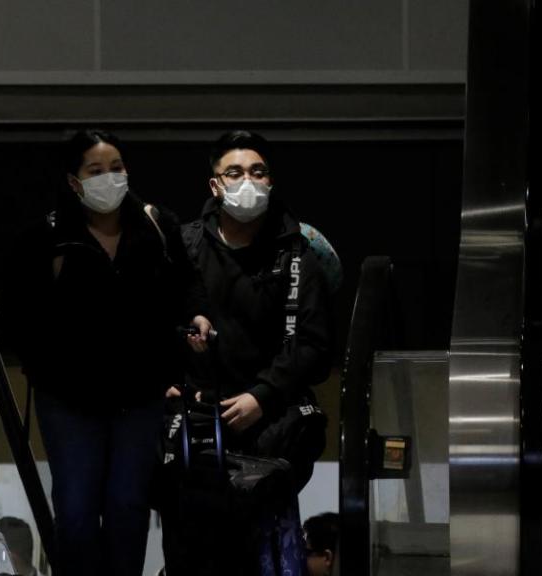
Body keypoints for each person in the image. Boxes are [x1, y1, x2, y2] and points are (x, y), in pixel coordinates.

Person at [6, 129, 211, 576]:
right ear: (74, 182)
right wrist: (44, 365)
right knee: (77, 510)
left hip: (139, 395)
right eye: (95, 170)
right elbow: (18, 314)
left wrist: (196, 317)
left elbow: (187, 284)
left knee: (127, 506)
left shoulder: (158, 225)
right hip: (69, 399)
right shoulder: (46, 237)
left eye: (116, 167)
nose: (109, 177)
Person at [162, 130, 335, 575]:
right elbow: (156, 324)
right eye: (234, 172)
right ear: (215, 185)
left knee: (263, 546)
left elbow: (314, 345)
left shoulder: (299, 252)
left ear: (271, 181)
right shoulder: (184, 247)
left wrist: (263, 396)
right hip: (198, 421)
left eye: (258, 172)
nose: (247, 181)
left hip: (269, 420)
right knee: (193, 545)